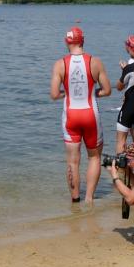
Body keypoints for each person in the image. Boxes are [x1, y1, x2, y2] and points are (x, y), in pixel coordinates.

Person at [49, 27, 111, 204]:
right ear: (82, 41)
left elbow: (54, 94)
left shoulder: (60, 64)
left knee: (72, 161)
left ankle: (75, 200)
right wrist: (92, 93)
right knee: (94, 157)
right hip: (90, 114)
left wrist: (67, 93)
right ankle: (89, 199)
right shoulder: (95, 62)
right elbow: (107, 91)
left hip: (71, 116)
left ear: (66, 42)